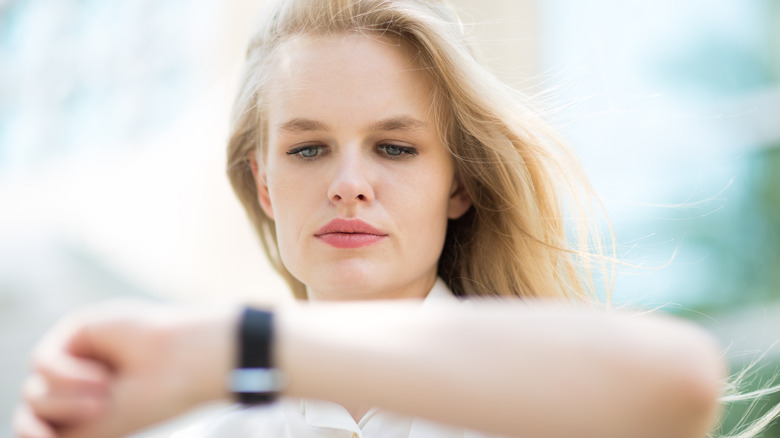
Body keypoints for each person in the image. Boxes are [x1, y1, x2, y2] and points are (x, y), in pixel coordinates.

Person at [14, 0, 727, 437]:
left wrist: (231, 349)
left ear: (461, 185)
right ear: (265, 185)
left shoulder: (551, 404)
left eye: (395, 147)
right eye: (308, 148)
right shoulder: (193, 427)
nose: (349, 184)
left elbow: (684, 382)